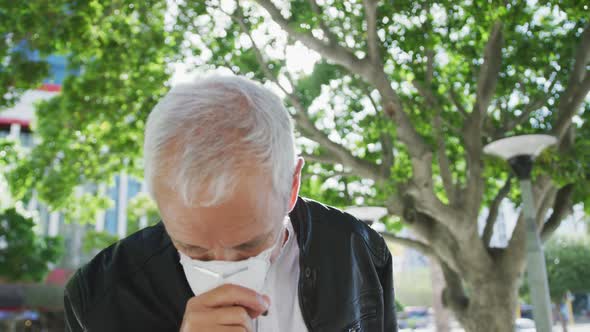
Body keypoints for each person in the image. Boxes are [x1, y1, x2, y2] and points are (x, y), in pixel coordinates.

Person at [64, 75, 397, 331]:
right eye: (194, 250)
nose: (225, 267)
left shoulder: (360, 249)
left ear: (292, 185)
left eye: (249, 246)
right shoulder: (98, 296)